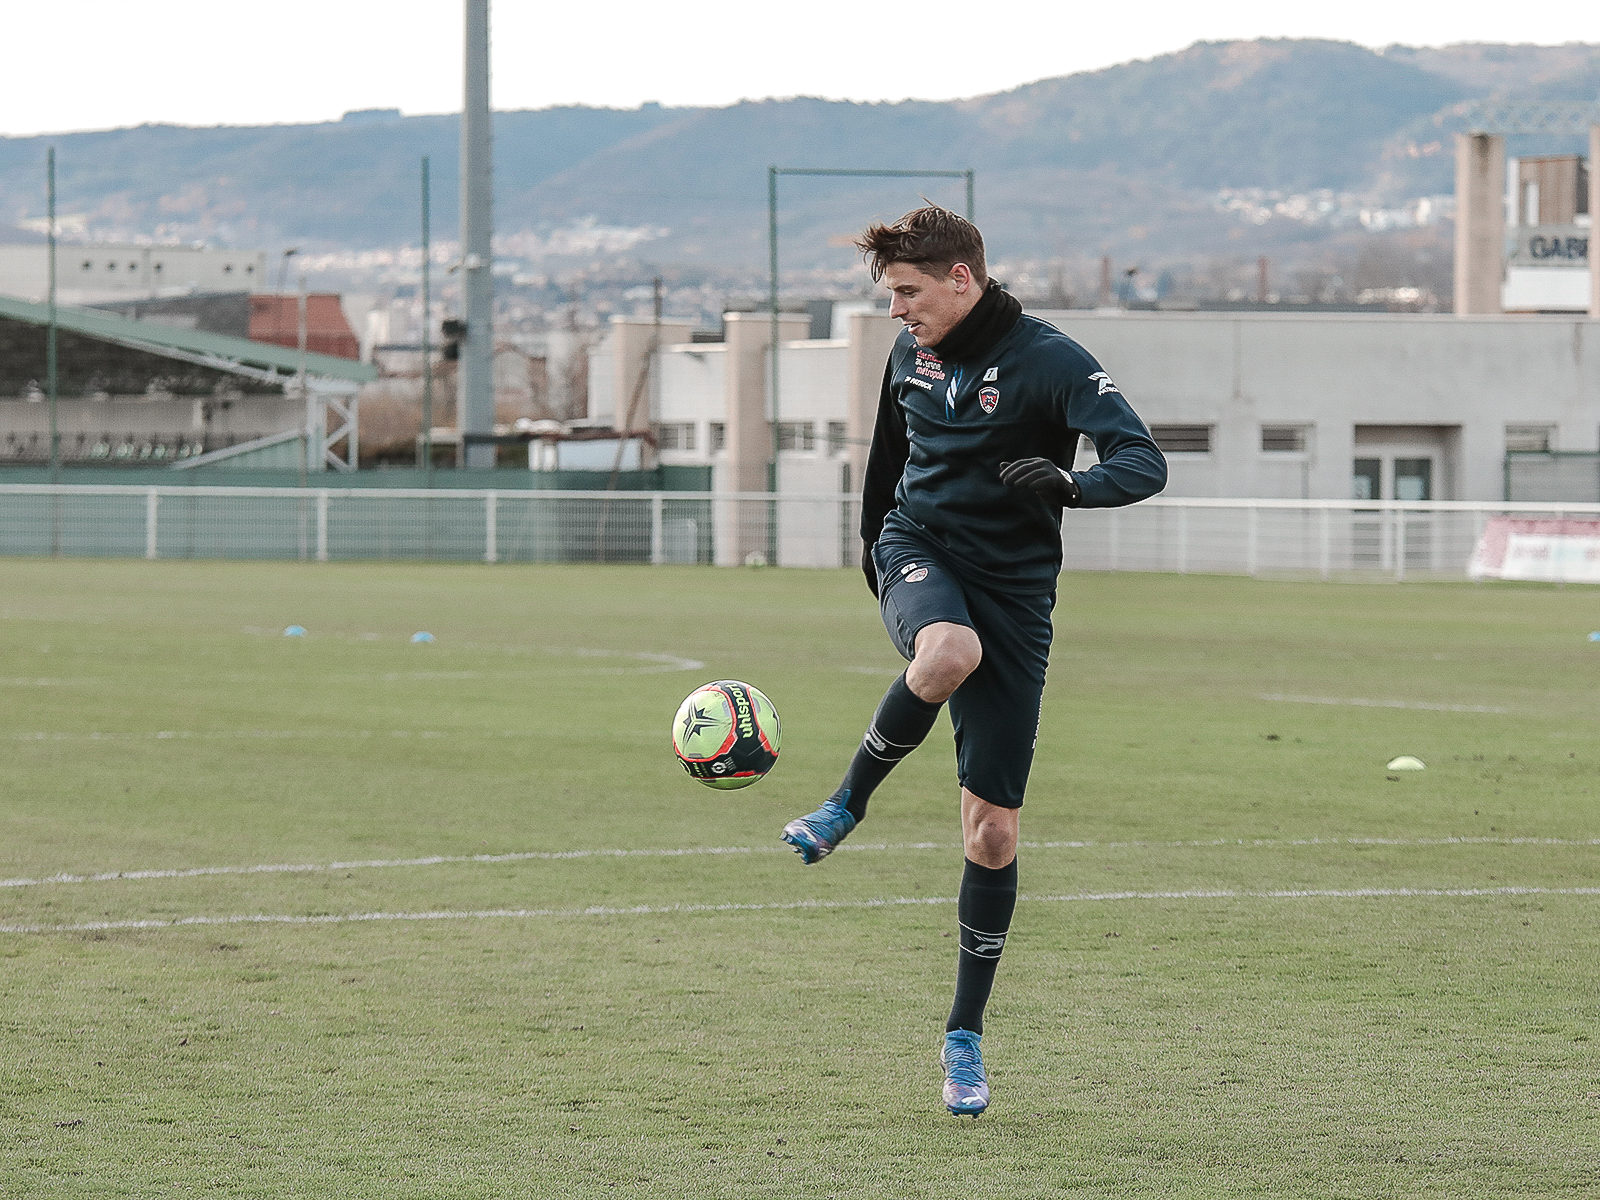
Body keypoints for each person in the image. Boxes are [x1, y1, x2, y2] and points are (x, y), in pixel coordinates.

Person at [780, 206, 1167, 1117]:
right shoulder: (906, 355)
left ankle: (964, 1038)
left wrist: (1075, 483)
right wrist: (879, 559)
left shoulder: (1054, 360)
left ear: (963, 279)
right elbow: (885, 468)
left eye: (908, 293)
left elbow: (1142, 461)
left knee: (992, 832)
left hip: (1017, 590)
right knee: (947, 649)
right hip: (923, 552)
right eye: (891, 295)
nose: (896, 312)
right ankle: (843, 806)